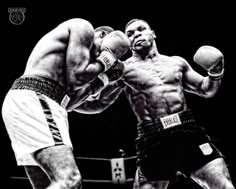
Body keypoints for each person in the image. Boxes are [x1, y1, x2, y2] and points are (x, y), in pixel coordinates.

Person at [70, 19, 235, 189]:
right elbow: (96, 103)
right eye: (130, 34)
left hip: (188, 132)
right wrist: (65, 103)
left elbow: (205, 89)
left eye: (141, 29)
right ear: (128, 43)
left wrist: (215, 73)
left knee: (224, 186)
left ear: (153, 33)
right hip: (153, 139)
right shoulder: (123, 70)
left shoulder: (177, 62)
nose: (136, 35)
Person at [2, 18, 130, 189]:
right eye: (104, 51)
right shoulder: (83, 27)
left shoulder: (66, 65)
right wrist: (107, 59)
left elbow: (70, 104)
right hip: (36, 98)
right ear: (102, 34)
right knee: (70, 180)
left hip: (38, 102)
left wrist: (104, 78)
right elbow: (78, 77)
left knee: (49, 184)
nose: (100, 58)